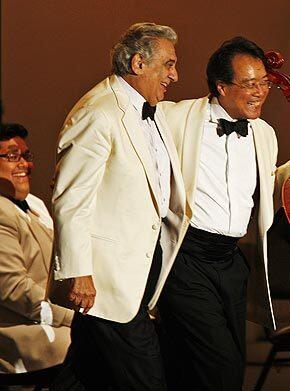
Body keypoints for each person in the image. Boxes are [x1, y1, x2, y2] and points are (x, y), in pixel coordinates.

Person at [159, 36, 290, 390]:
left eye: (265, 83)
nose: (260, 92)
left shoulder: (264, 133)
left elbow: (268, 188)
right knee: (221, 369)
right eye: (250, 84)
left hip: (231, 262)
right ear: (221, 86)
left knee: (203, 367)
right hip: (186, 259)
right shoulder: (174, 119)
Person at [49, 23, 189, 391]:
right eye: (169, 65)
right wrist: (78, 271)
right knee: (148, 379)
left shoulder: (151, 112)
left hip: (140, 273)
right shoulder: (97, 112)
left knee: (83, 374)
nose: (175, 75)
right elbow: (71, 198)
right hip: (108, 280)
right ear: (139, 63)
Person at [0, 123, 72, 374]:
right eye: (11, 156)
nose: (24, 164)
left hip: (48, 318)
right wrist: (72, 318)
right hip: (17, 330)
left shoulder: (34, 204)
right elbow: (14, 290)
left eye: (26, 156)